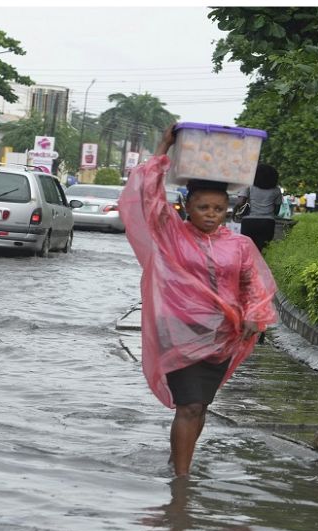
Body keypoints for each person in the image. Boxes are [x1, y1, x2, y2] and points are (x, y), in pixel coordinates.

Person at [118, 125, 277, 478]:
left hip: (222, 338)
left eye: (218, 208)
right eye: (203, 206)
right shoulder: (171, 233)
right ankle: (183, 481)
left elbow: (254, 284)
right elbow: (148, 197)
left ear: (228, 210)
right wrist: (164, 148)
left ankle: (179, 463)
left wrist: (254, 313)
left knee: (199, 405)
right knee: (189, 404)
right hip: (178, 332)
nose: (210, 213)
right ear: (187, 206)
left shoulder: (238, 245)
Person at [234, 164, 284, 251]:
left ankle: (249, 264)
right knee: (263, 249)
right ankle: (261, 264)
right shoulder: (276, 190)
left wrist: (234, 212)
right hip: (268, 222)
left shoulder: (248, 186)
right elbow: (277, 210)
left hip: (249, 222)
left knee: (248, 249)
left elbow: (240, 202)